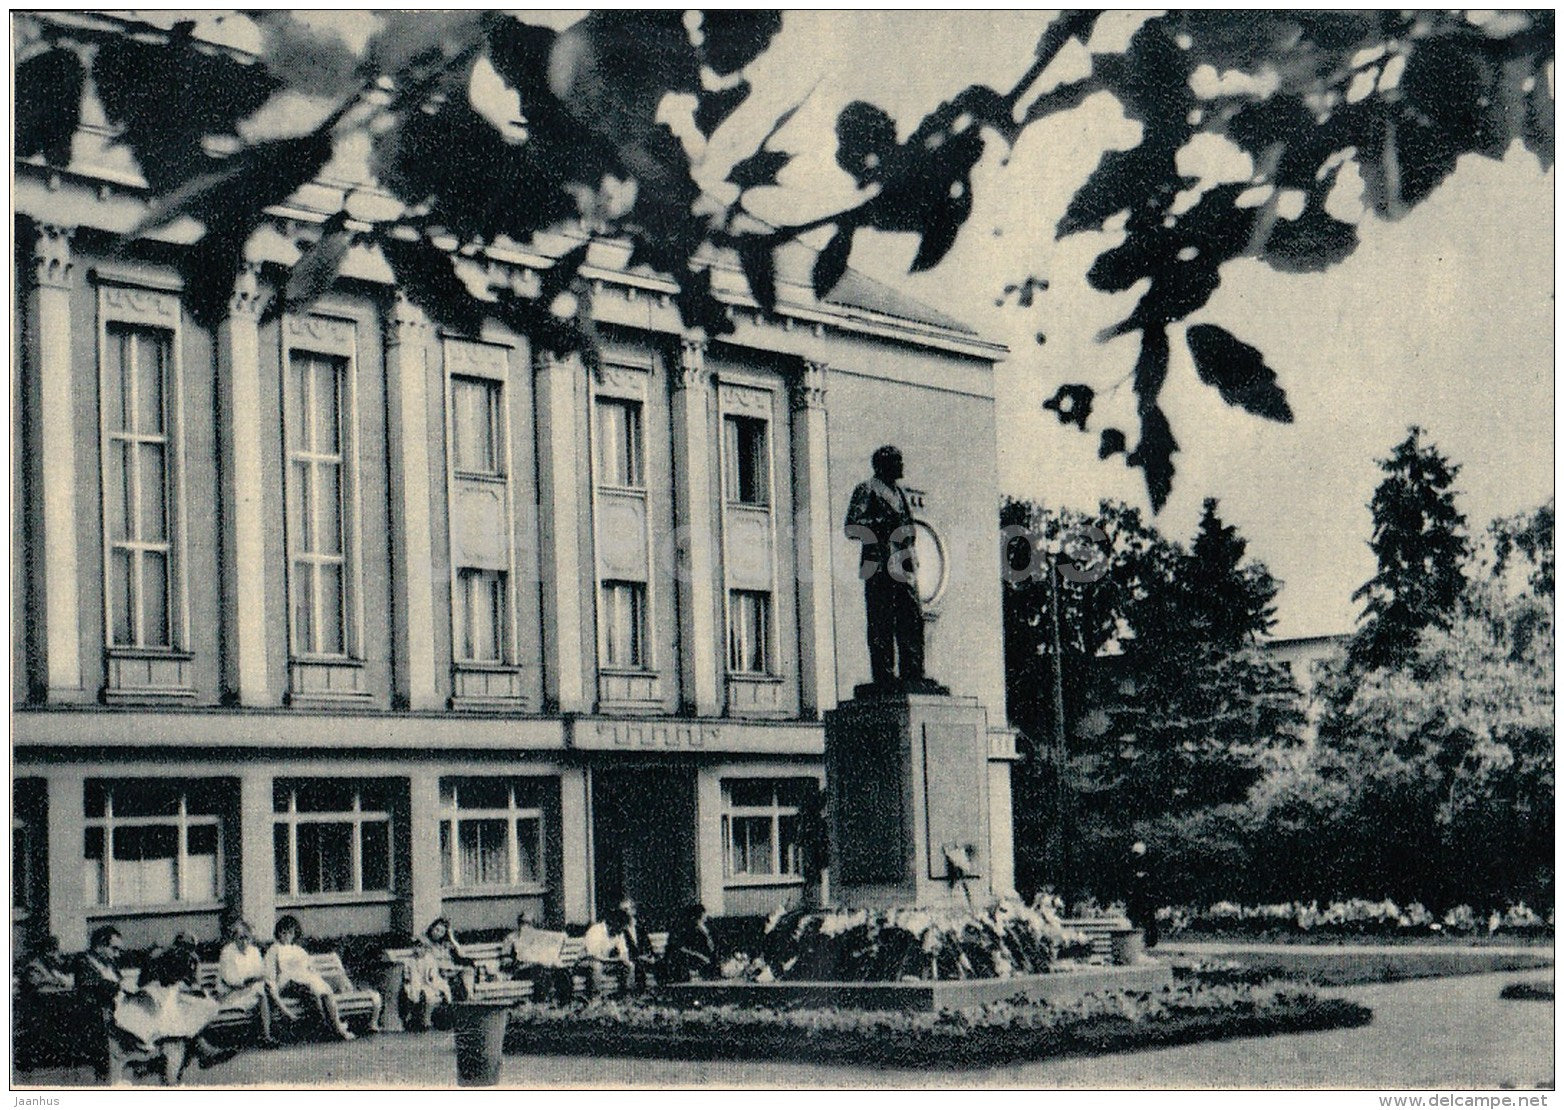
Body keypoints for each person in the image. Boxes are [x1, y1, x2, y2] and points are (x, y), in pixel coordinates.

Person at [843, 445, 927, 688]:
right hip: (878, 564)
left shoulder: (900, 492)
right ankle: (884, 675)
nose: (902, 466)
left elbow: (909, 527)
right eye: (897, 461)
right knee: (881, 620)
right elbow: (851, 526)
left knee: (912, 617)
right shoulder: (867, 489)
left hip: (903, 564)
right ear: (883, 465)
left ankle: (913, 672)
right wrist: (881, 522)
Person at [117, 945, 237, 1082]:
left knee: (180, 1038)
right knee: (177, 1043)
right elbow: (142, 1021)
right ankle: (171, 1076)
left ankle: (169, 1073)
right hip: (136, 1035)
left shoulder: (167, 988)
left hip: (150, 1031)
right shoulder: (154, 991)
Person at [265, 915, 366, 1040]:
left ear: (294, 934)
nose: (286, 937)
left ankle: (336, 1026)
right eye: (283, 933)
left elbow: (309, 967)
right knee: (312, 990)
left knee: (324, 992)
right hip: (287, 983)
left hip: (303, 979)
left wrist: (314, 977)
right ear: (278, 933)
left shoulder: (298, 950)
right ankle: (329, 1029)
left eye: (290, 933)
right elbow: (271, 974)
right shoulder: (274, 949)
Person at [218, 918, 280, 1046]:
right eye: (241, 938)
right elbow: (230, 980)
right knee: (262, 992)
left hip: (252, 991)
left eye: (248, 938)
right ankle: (267, 1036)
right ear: (234, 937)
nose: (245, 942)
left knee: (263, 989)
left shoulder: (254, 951)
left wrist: (256, 979)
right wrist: (248, 981)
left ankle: (266, 1034)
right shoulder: (227, 952)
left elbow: (261, 972)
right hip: (232, 995)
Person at [500, 910, 571, 1004]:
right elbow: (505, 961)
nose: (525, 926)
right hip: (522, 970)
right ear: (518, 923)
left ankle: (565, 1005)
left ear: (533, 924)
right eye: (523, 922)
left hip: (542, 967)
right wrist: (517, 960)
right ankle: (540, 1006)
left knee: (563, 972)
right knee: (542, 973)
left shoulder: (538, 937)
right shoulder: (511, 938)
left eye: (529, 923)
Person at [399, 937, 453, 1031]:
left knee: (430, 994)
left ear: (426, 948)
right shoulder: (409, 961)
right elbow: (407, 977)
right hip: (414, 984)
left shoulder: (430, 960)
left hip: (428, 983)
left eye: (421, 947)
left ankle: (427, 1018)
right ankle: (417, 1018)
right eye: (416, 947)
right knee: (416, 993)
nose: (418, 950)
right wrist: (409, 985)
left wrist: (435, 983)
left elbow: (433, 975)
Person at [422, 917, 477, 1002]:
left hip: (451, 970)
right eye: (437, 930)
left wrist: (452, 938)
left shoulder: (445, 944)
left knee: (468, 969)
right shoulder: (426, 943)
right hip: (438, 971)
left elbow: (462, 954)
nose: (438, 933)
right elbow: (429, 961)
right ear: (432, 928)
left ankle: (470, 996)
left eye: (442, 932)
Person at [661, 903, 717, 984]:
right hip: (698, 958)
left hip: (707, 957)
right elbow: (684, 947)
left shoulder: (706, 927)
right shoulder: (690, 928)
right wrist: (699, 956)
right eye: (705, 913)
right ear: (701, 914)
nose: (707, 915)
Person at [581, 909, 633, 994]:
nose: (621, 931)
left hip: (605, 962)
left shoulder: (618, 933)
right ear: (613, 924)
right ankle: (595, 998)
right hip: (585, 963)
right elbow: (593, 955)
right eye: (620, 927)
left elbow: (623, 951)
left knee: (629, 966)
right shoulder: (595, 931)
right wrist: (613, 960)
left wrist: (624, 959)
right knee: (596, 966)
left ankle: (625, 995)